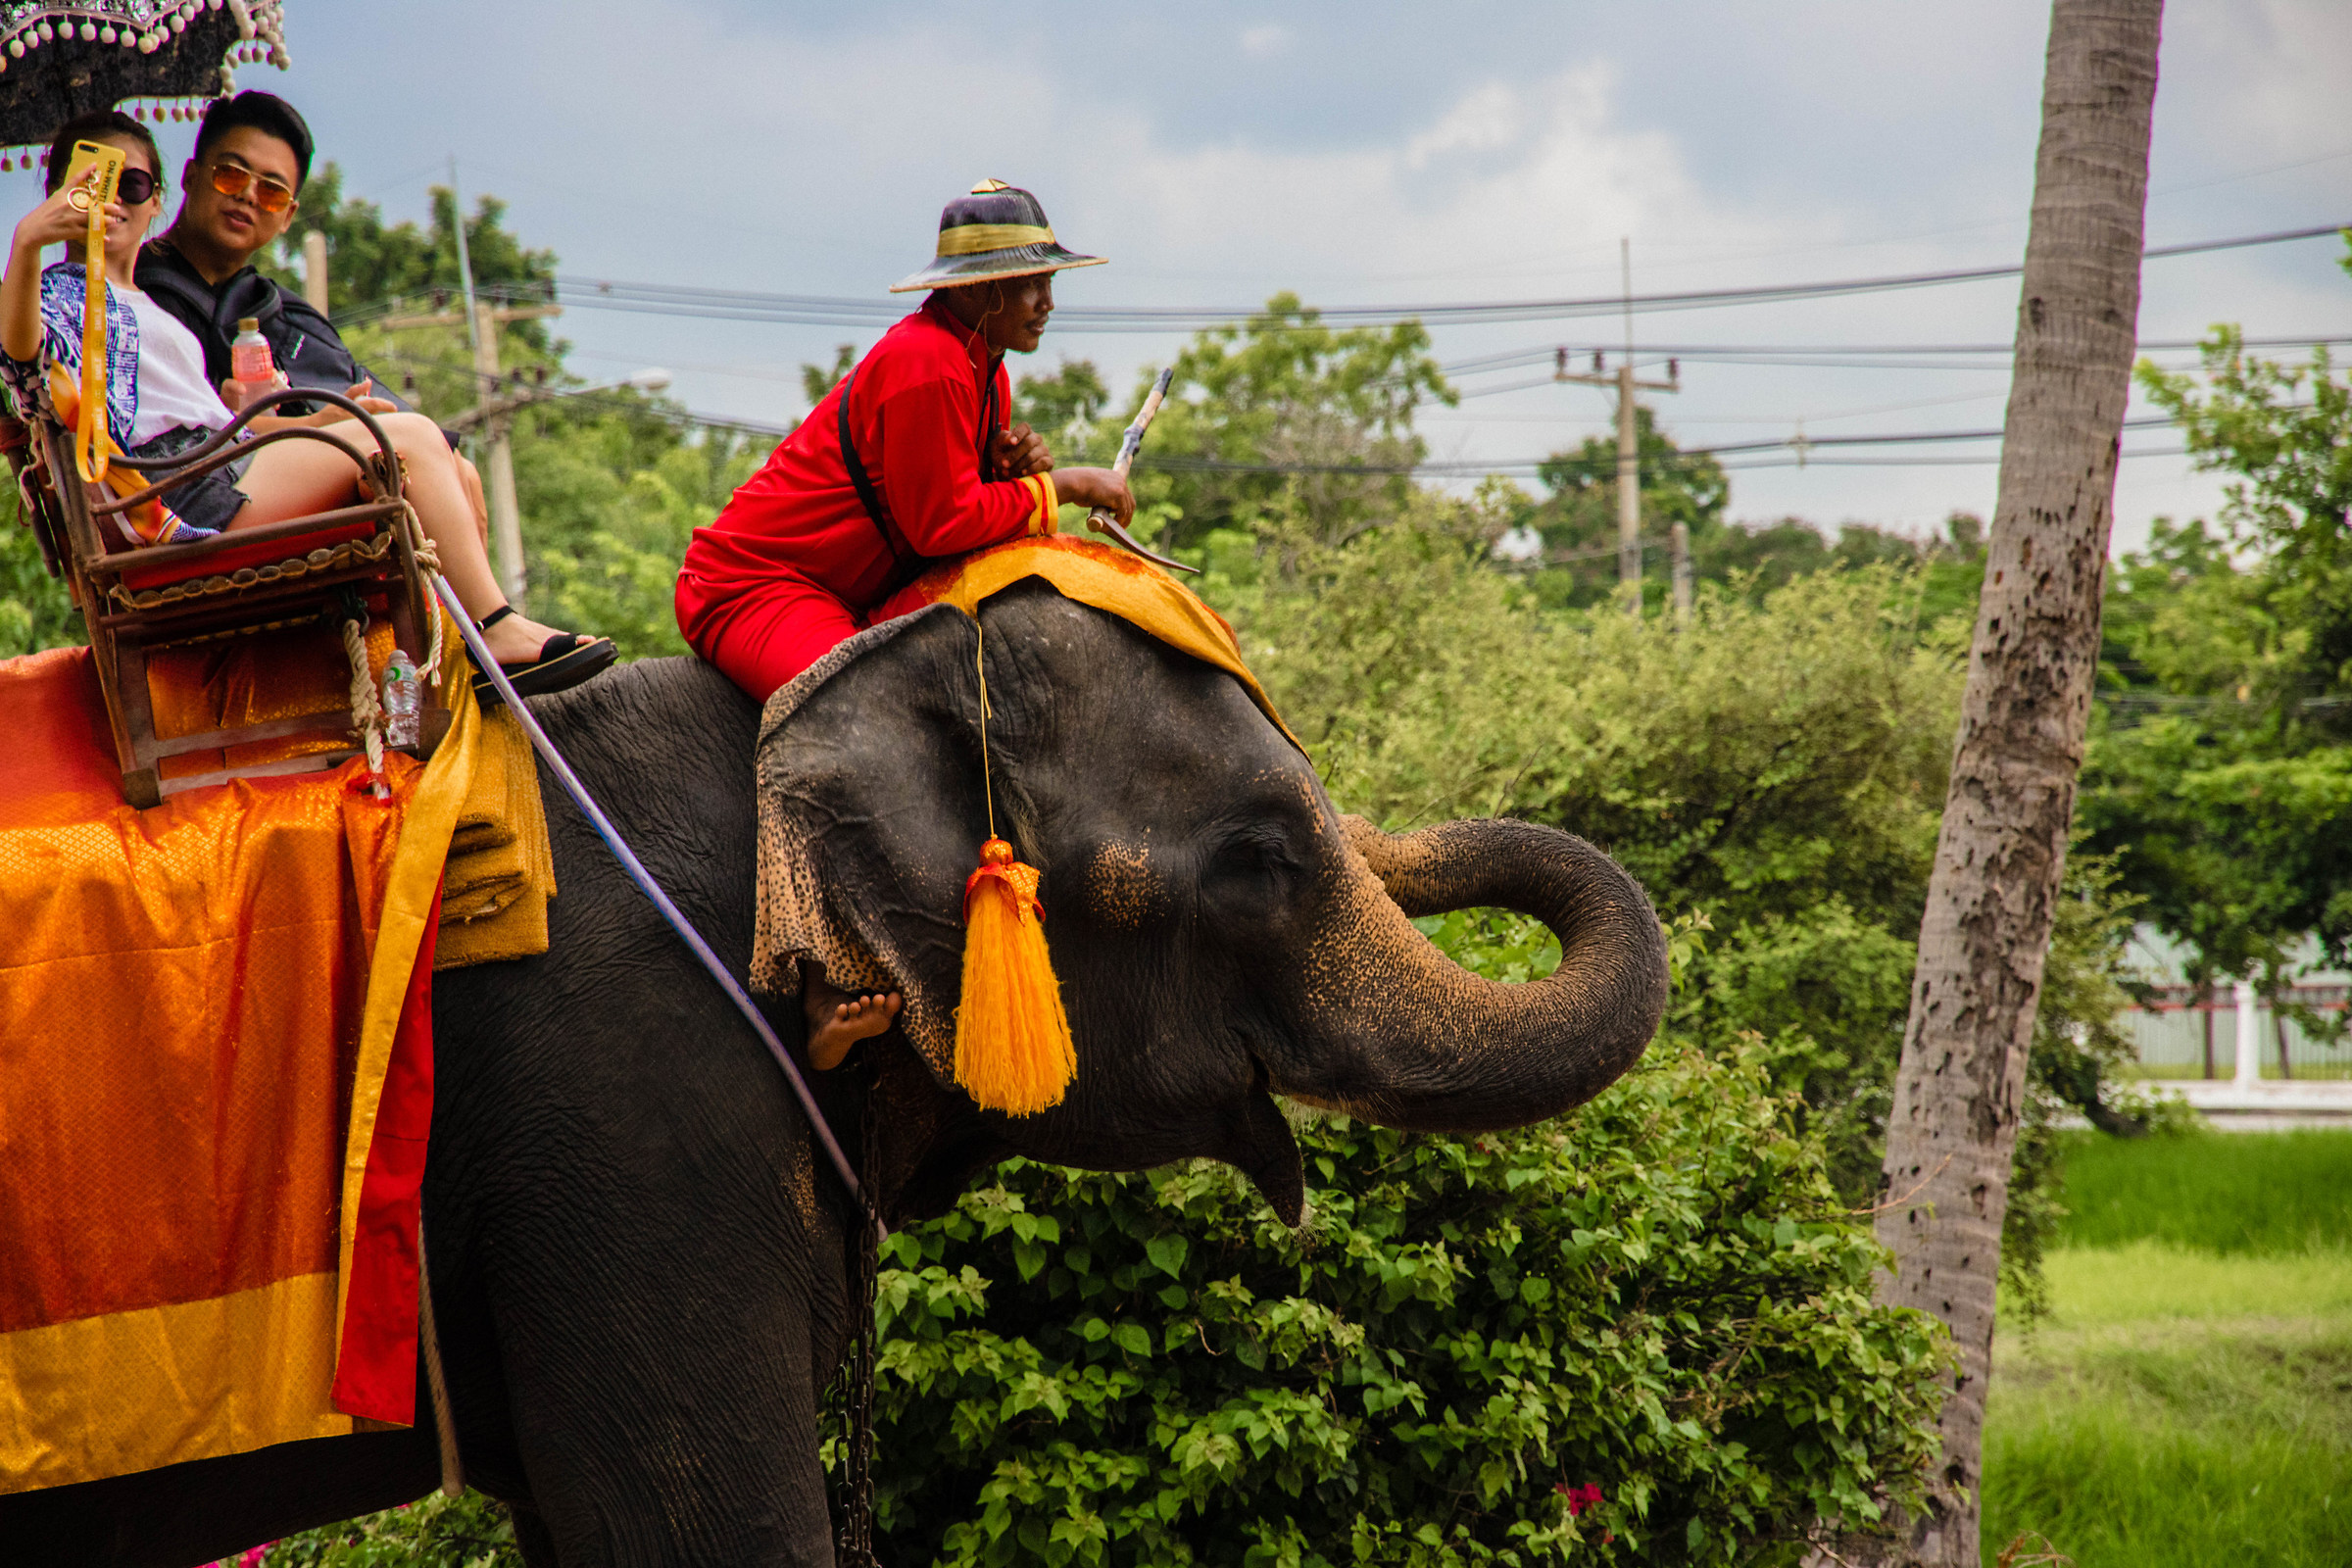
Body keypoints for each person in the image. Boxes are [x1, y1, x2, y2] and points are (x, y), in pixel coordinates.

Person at [674, 178, 1136, 1067]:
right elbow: (941, 529)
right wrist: (1061, 486)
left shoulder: (978, 367)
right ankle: (820, 984)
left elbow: (949, 511)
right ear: (984, 290)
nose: (1047, 301)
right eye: (1032, 280)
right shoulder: (926, 362)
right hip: (757, 585)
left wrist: (1012, 471)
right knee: (855, 720)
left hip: (848, 592)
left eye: (1050, 279)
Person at [0, 110, 612, 704]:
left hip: (218, 465)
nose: (112, 200)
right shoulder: (66, 297)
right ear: (59, 197)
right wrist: (29, 242)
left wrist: (318, 421)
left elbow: (212, 423)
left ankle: (467, 640)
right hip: (178, 497)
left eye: (130, 184)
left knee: (403, 437)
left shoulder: (149, 307)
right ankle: (495, 627)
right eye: (86, 185)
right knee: (408, 440)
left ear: (157, 198)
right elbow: (21, 354)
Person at [134, 91, 493, 546]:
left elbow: (364, 398)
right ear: (191, 176)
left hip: (324, 483)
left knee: (455, 467)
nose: (248, 195)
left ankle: (478, 619)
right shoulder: (138, 298)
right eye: (230, 175)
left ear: (288, 215)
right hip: (205, 507)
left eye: (271, 190)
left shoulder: (282, 313)